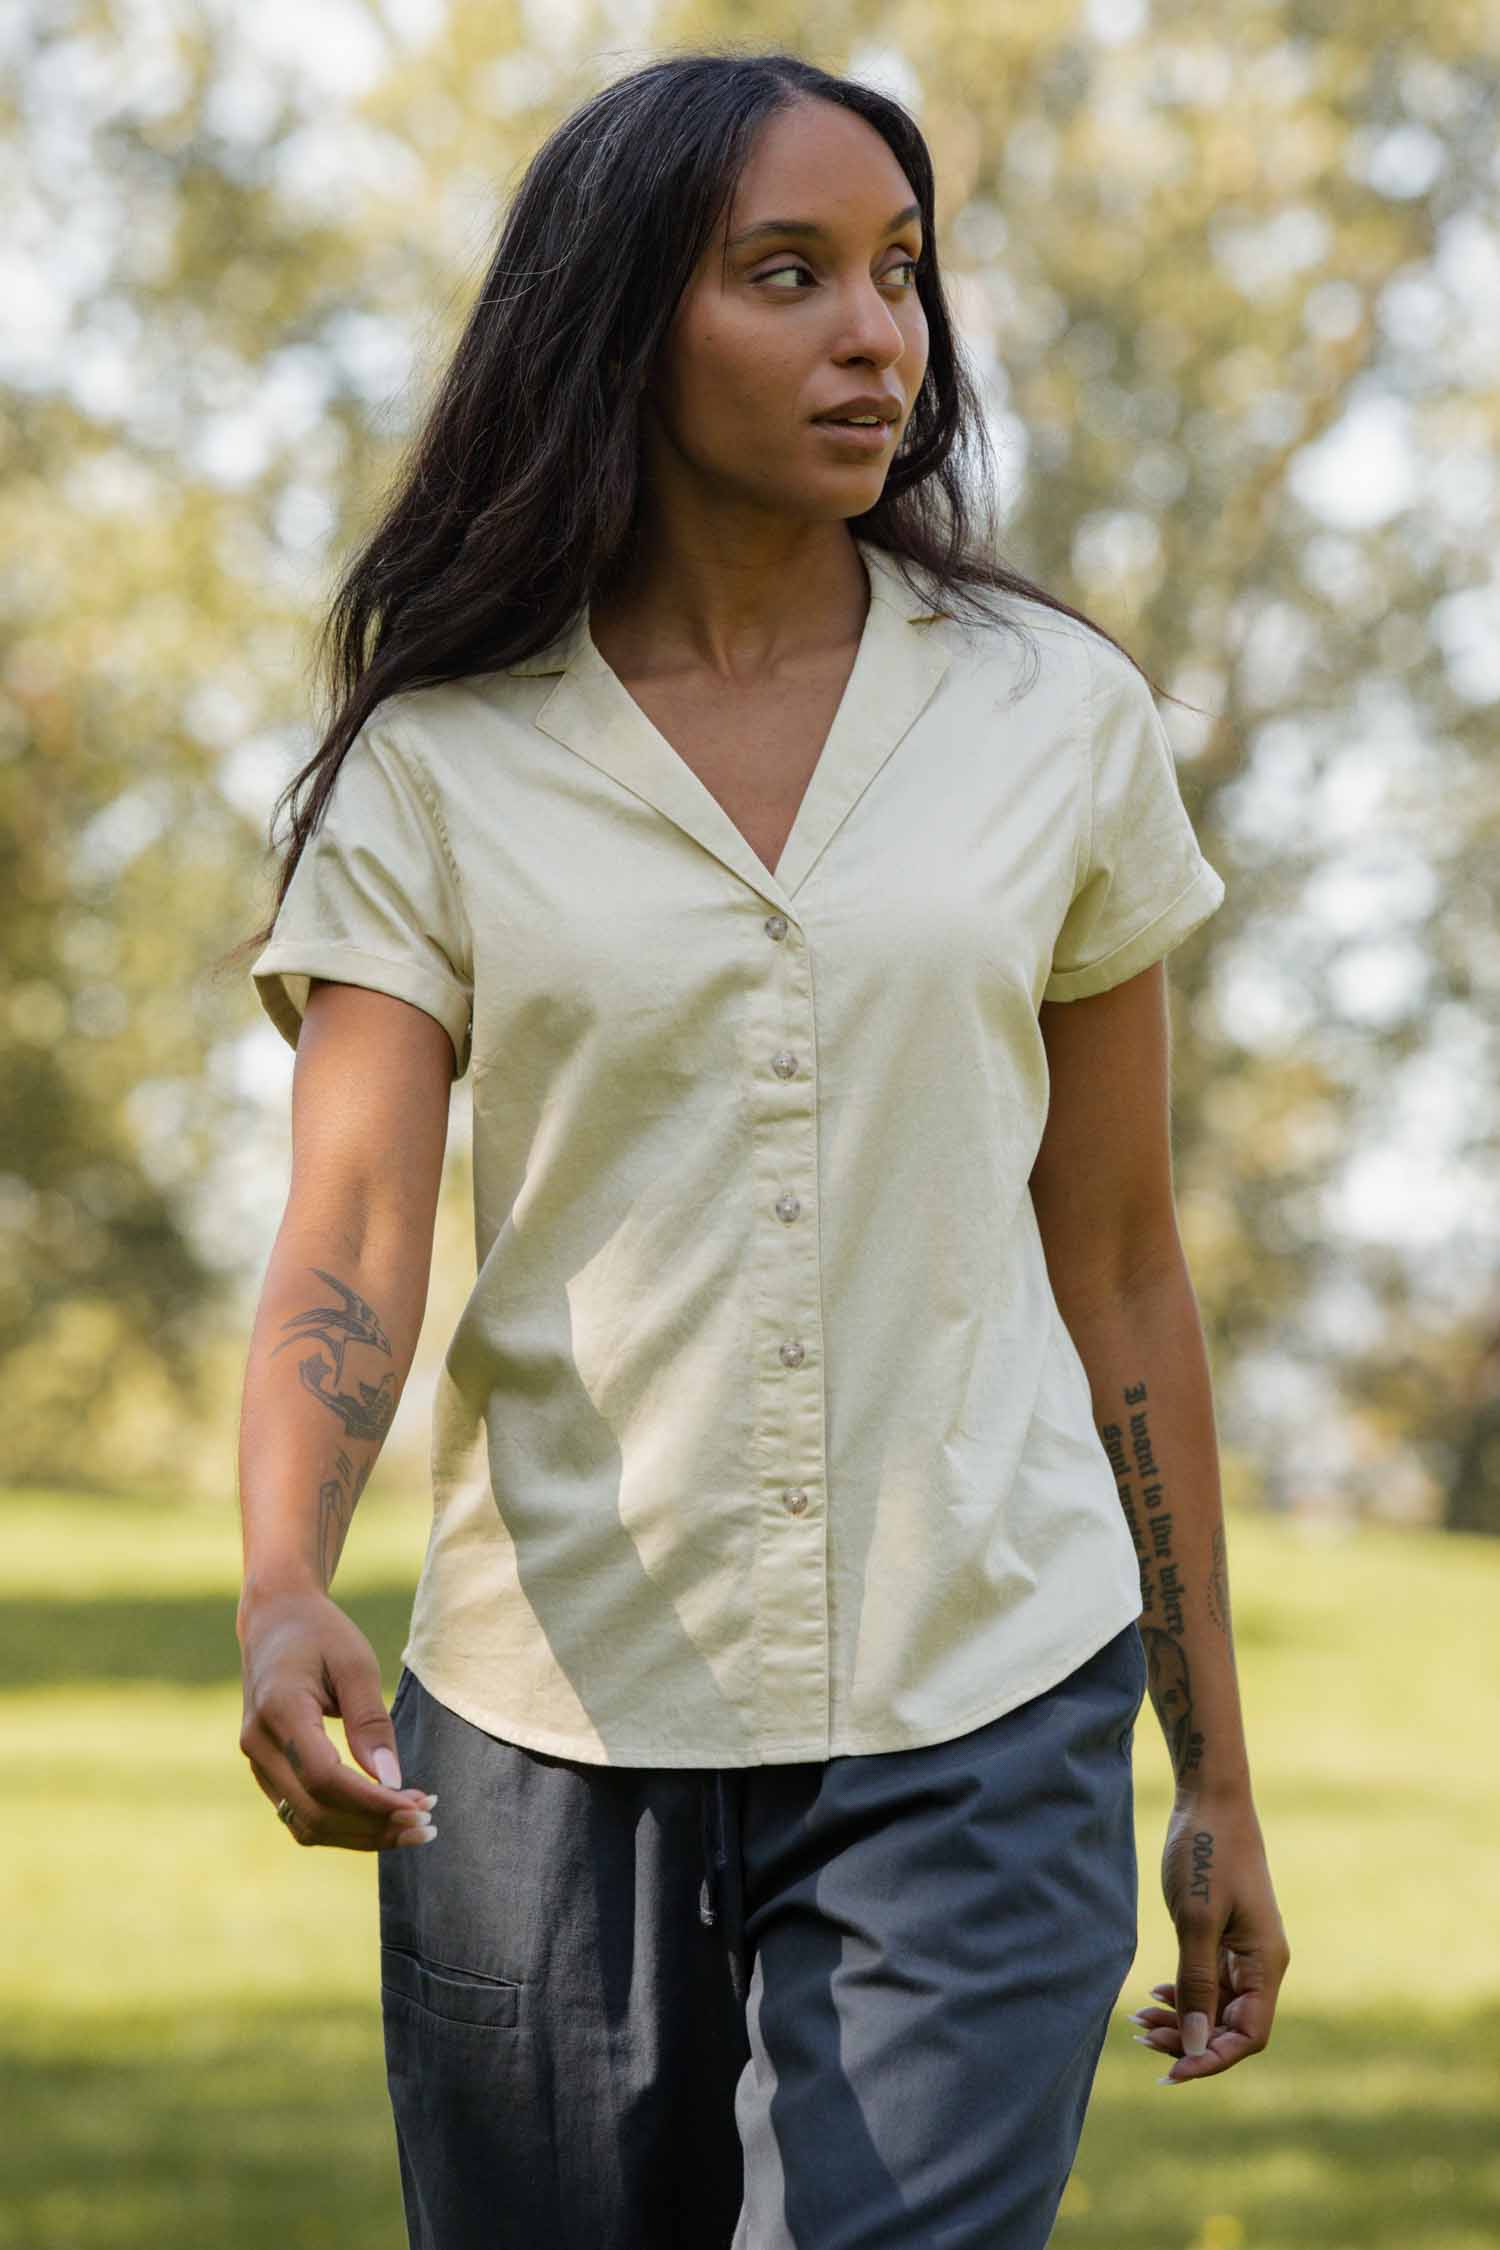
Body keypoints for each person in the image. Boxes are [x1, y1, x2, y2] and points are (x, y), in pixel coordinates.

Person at [230, 46, 1290, 2250]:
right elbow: (355, 1222)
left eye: (900, 271)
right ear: (624, 319)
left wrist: (1216, 1774)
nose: (876, 333)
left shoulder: (1055, 717)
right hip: (544, 1716)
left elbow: (1118, 1261)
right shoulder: (441, 764)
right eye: (786, 274)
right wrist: (280, 1580)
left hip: (984, 1696)